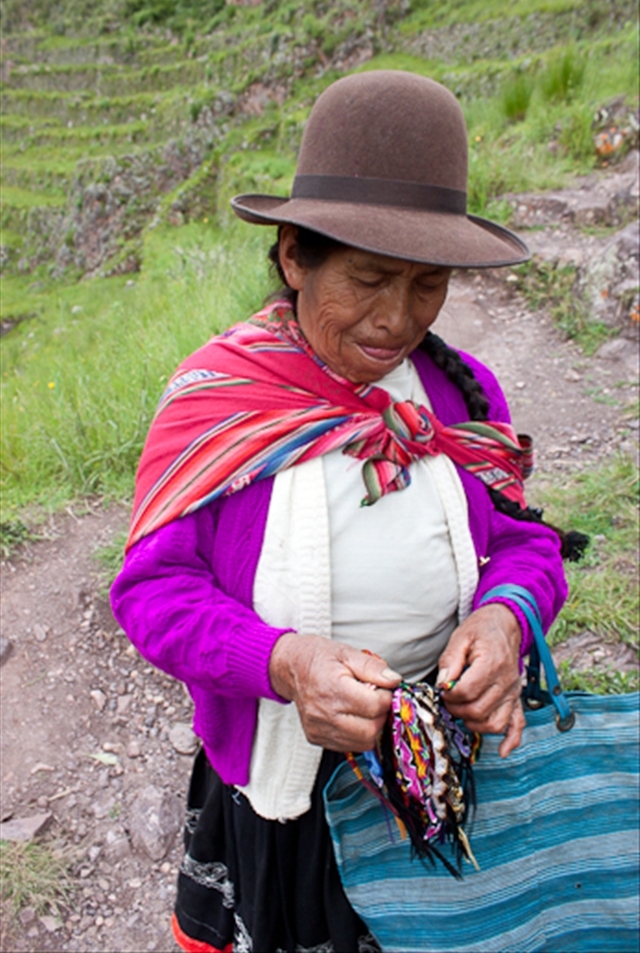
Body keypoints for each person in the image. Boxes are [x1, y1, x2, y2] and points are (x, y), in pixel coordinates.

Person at [111, 71, 568, 953]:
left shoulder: (455, 392)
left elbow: (525, 542)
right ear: (293, 255)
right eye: (367, 280)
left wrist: (508, 619)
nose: (397, 319)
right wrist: (285, 664)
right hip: (295, 784)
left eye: (427, 285)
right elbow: (153, 593)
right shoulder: (221, 403)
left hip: (444, 758)